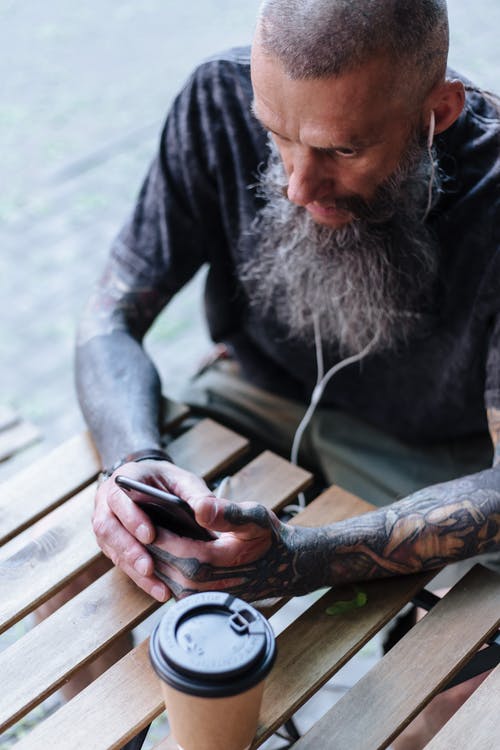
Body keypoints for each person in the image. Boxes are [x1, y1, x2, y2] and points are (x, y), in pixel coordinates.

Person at [75, 1, 499, 745]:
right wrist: (133, 469)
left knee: (475, 691)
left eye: (342, 151)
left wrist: (299, 561)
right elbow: (107, 322)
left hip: (440, 460)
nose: (300, 185)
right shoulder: (216, 97)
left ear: (438, 112)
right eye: (276, 137)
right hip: (253, 397)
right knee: (90, 561)